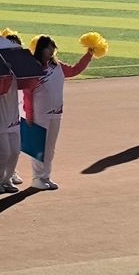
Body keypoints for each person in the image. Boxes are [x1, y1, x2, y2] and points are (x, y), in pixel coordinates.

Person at [25, 36, 94, 191]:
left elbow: (75, 70)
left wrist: (88, 55)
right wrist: (29, 113)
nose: (52, 51)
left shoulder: (58, 66)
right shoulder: (34, 67)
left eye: (53, 48)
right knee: (39, 147)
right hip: (40, 113)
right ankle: (37, 178)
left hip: (56, 112)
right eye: (49, 48)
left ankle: (46, 176)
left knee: (50, 149)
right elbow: (27, 92)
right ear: (41, 49)